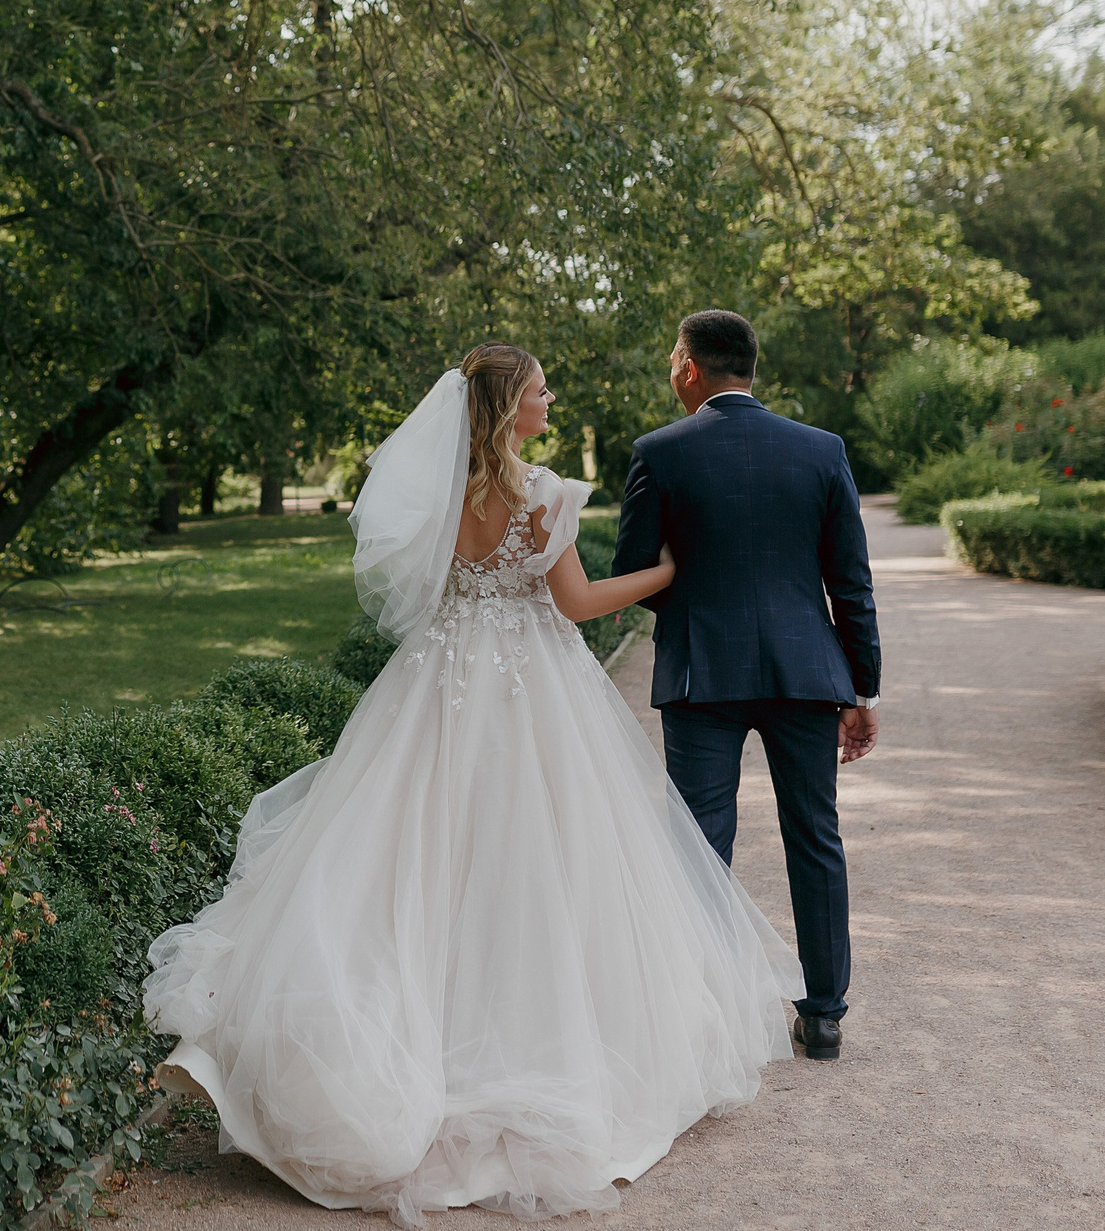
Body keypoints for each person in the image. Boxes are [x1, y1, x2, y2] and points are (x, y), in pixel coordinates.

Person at [144, 343, 802, 1224]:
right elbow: (573, 604)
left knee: (407, 851)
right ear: (508, 406)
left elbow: (418, 595)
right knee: (537, 861)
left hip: (440, 683)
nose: (550, 394)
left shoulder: (441, 492)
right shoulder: (542, 493)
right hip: (533, 686)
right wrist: (668, 573)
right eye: (539, 387)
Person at [609, 308, 880, 1063]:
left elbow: (637, 576)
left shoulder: (658, 452)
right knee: (815, 839)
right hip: (806, 674)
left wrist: (696, 601)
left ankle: (703, 1016)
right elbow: (850, 583)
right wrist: (863, 690)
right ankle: (823, 1016)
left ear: (691, 368)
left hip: (703, 674)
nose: (670, 369)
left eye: (673, 356)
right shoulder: (821, 450)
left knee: (699, 843)